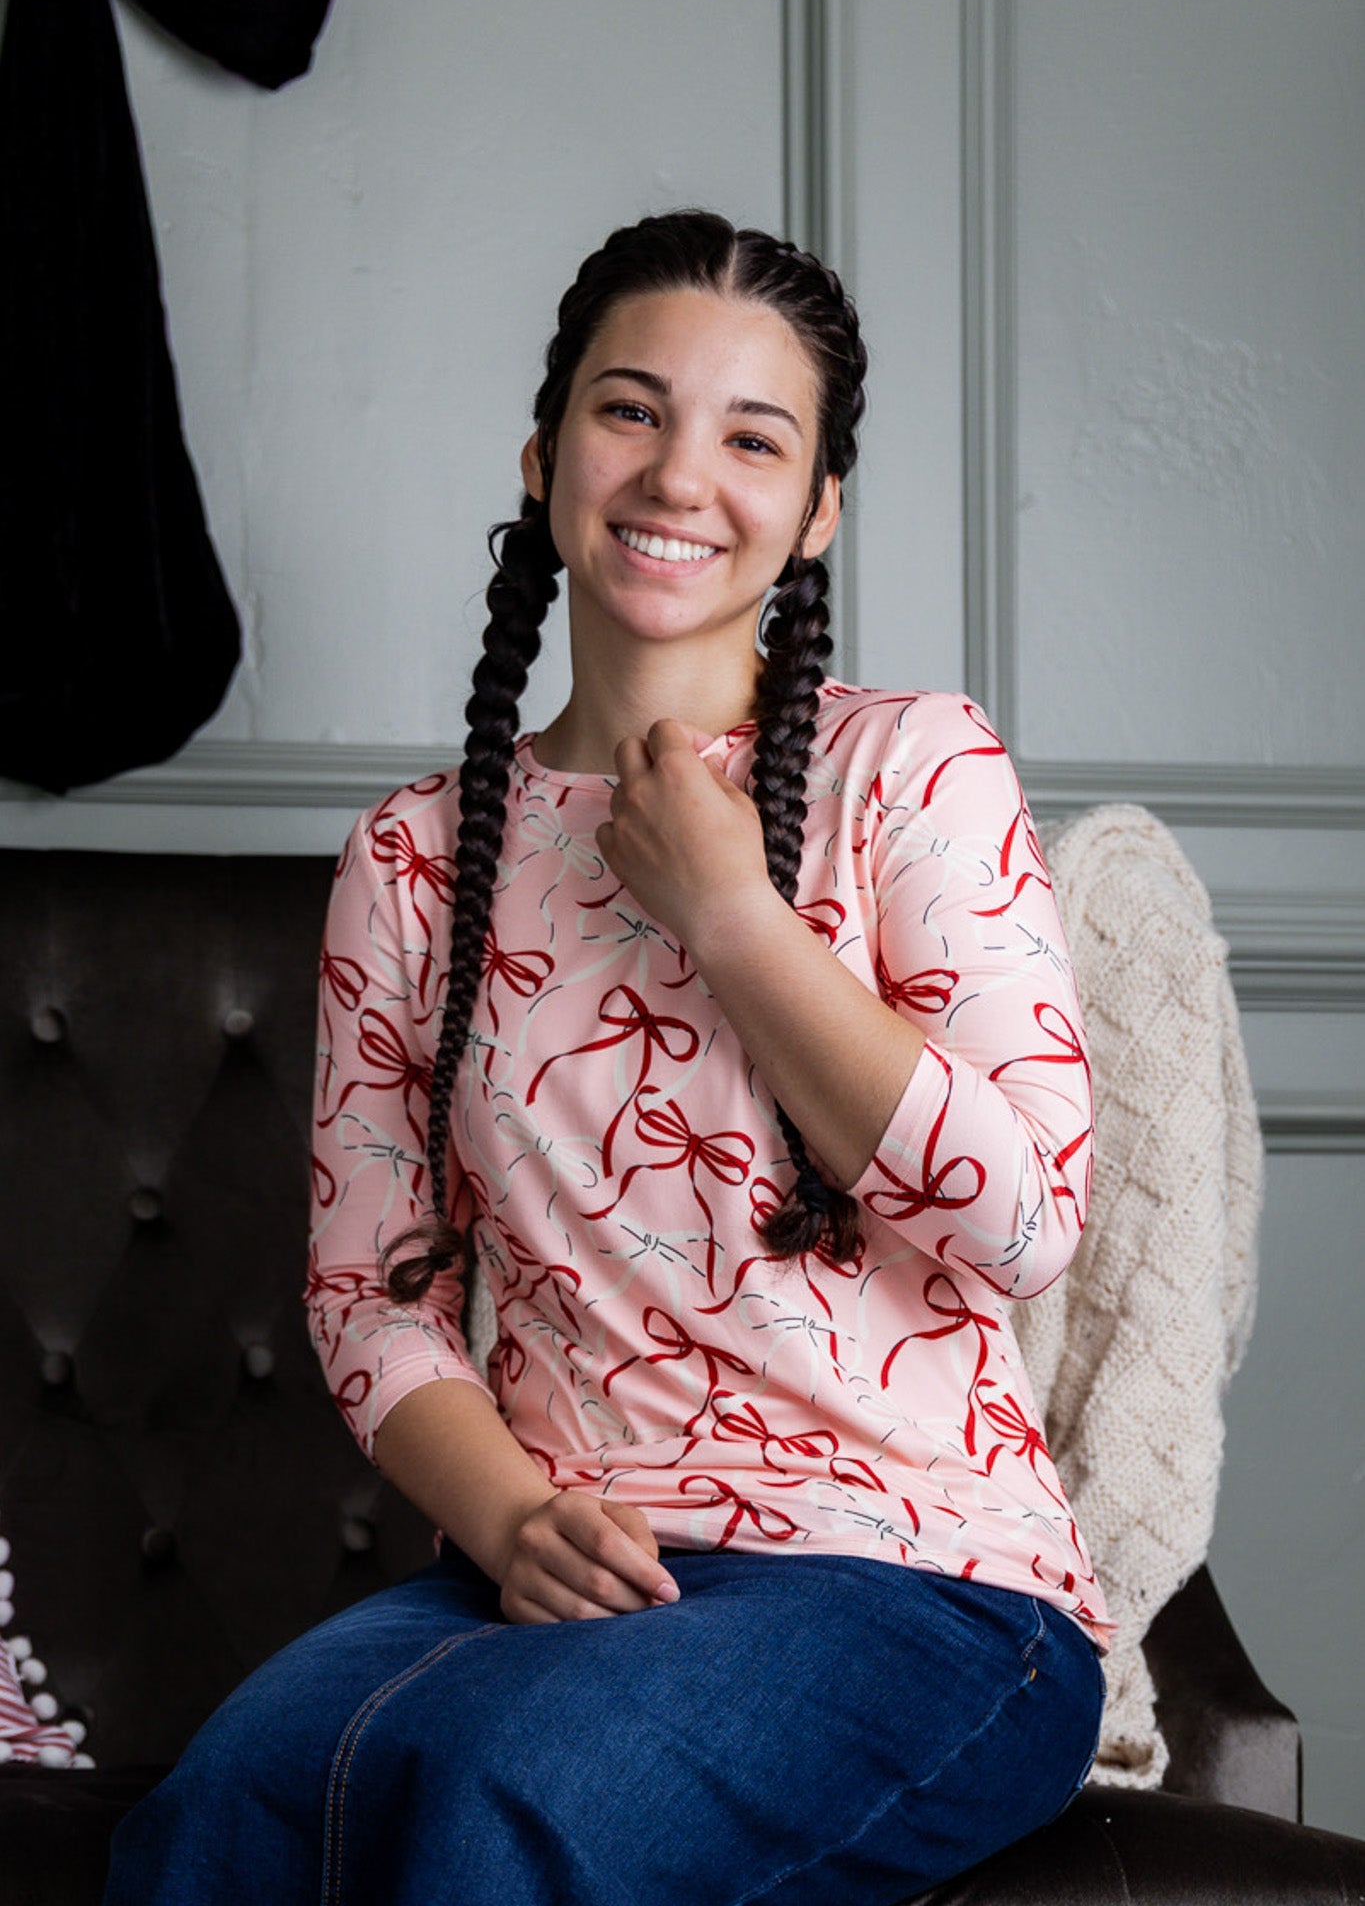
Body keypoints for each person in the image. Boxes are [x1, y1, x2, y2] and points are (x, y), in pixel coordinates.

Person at [104, 210, 1108, 1905]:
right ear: (546, 444)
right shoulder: (417, 856)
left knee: (509, 1815)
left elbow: (1022, 1224)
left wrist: (733, 917)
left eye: (752, 436)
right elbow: (373, 1293)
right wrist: (501, 1518)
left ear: (817, 509)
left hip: (920, 1581)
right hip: (565, 1567)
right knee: (219, 1827)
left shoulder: (913, 769)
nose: (676, 477)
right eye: (629, 409)